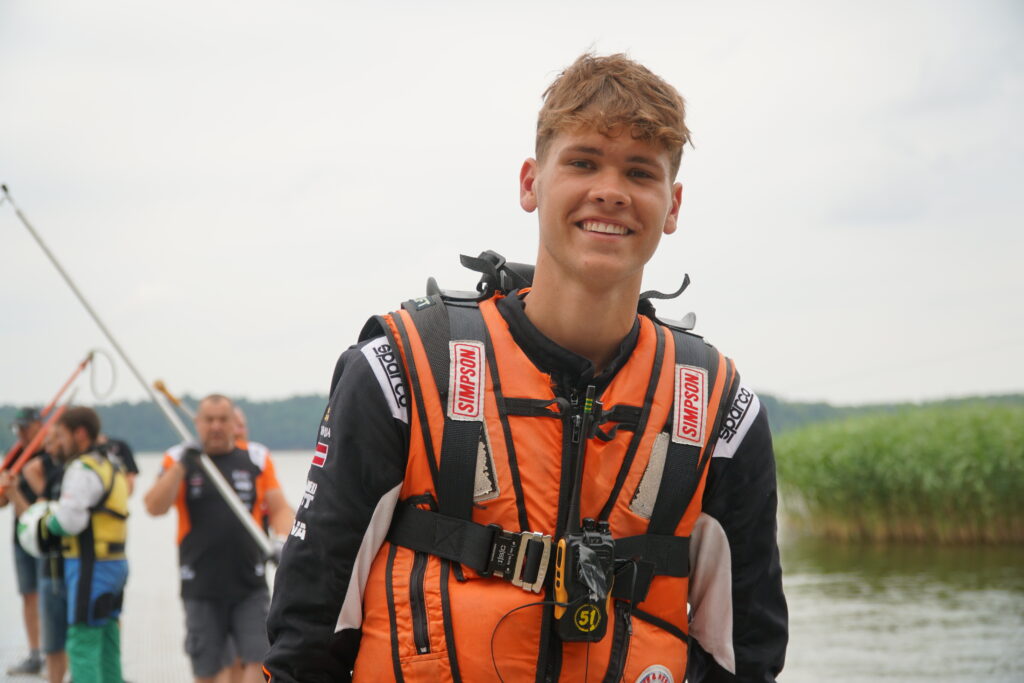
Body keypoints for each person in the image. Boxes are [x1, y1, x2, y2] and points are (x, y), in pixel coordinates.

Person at [263, 53, 788, 682]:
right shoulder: (398, 372)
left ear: (672, 205)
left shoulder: (720, 411)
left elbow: (747, 654)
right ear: (530, 183)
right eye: (583, 162)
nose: (610, 191)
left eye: (640, 171)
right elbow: (308, 632)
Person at [143, 394, 293, 683]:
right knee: (208, 670)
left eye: (223, 420)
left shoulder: (255, 458)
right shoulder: (178, 458)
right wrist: (182, 466)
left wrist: (282, 541)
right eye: (209, 420)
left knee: (260, 661)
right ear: (197, 423)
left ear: (234, 424)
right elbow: (153, 507)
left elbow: (280, 508)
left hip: (249, 582)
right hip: (200, 584)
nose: (215, 426)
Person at [19, 406, 130, 682]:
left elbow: (70, 521)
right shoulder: (111, 464)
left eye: (60, 435)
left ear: (79, 434)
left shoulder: (81, 468)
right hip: (115, 565)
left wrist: (44, 524)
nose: (56, 443)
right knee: (108, 639)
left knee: (81, 643)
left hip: (90, 567)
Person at [0, 406, 50, 676]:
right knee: (29, 594)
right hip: (21, 537)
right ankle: (35, 653)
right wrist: (5, 487)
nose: (21, 434)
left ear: (38, 427)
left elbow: (49, 502)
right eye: (18, 429)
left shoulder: (51, 455)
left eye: (25, 428)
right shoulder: (15, 455)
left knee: (51, 592)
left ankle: (55, 653)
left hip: (46, 536)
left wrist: (21, 487)